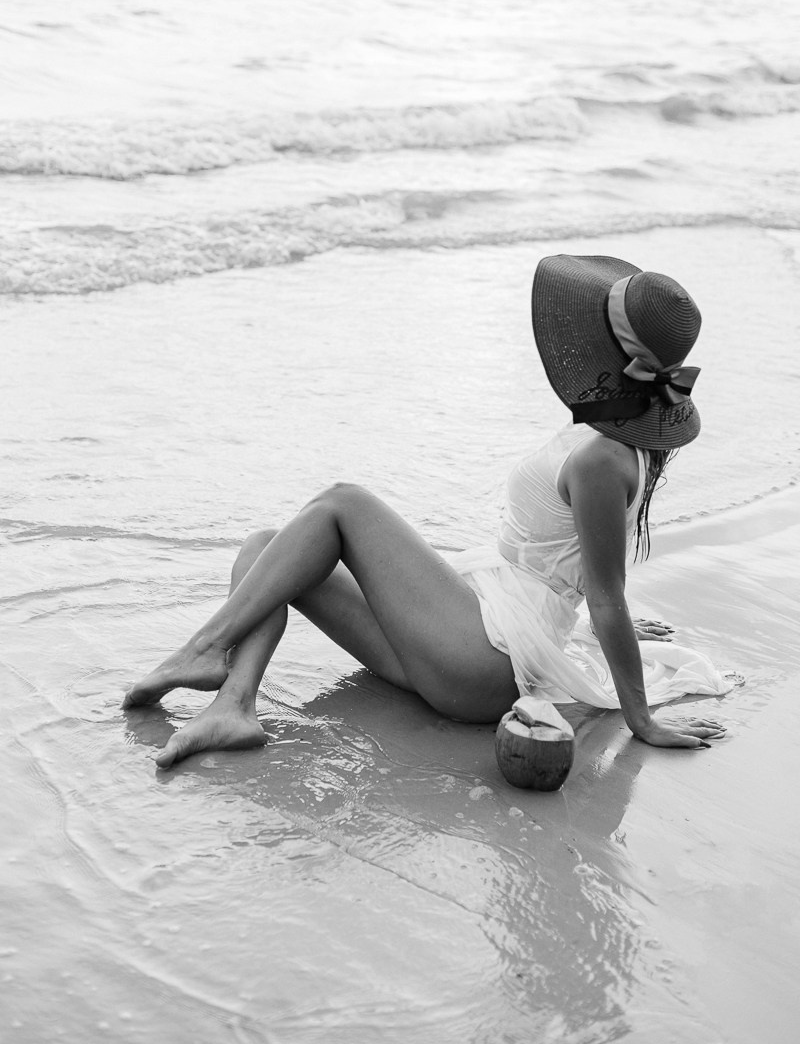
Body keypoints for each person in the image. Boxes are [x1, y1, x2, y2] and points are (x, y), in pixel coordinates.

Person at [123, 253, 729, 768]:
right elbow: (574, 561)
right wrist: (588, 630)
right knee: (266, 548)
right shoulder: (611, 437)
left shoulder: (603, 457)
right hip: (470, 640)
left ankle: (203, 648)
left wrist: (640, 719)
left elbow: (604, 595)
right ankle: (234, 704)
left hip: (490, 663)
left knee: (343, 503)